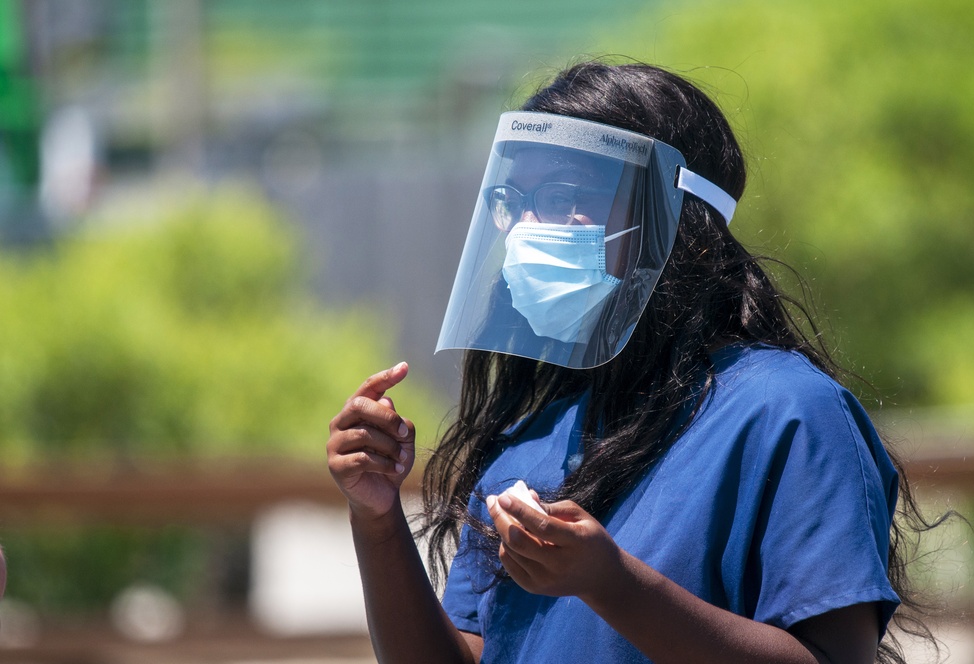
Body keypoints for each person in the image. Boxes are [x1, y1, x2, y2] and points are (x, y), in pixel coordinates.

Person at [327, 61, 929, 663]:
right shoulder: (536, 439)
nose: (526, 230)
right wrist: (376, 519)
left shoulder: (788, 411)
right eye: (514, 201)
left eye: (564, 197)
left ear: (676, 217)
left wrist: (612, 584)